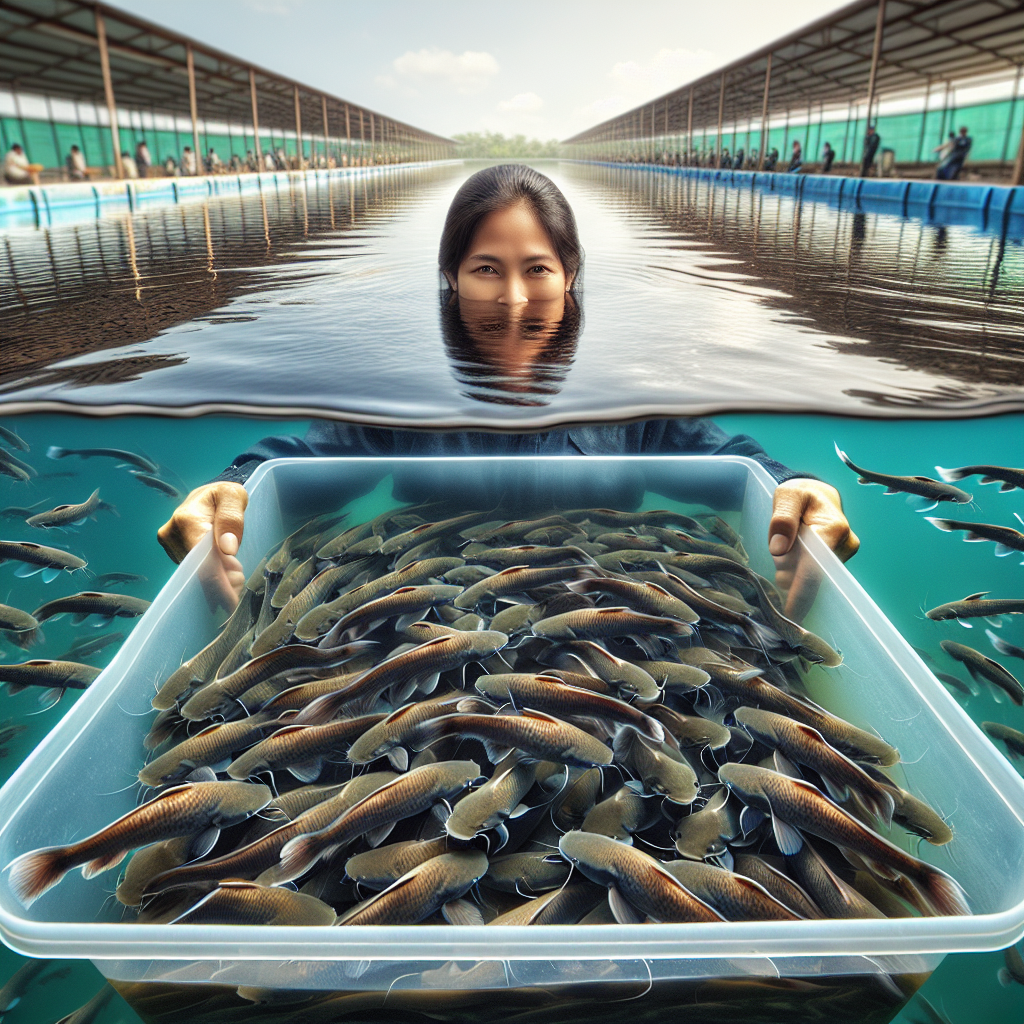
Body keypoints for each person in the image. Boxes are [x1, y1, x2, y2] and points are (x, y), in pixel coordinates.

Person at [157, 164, 860, 614]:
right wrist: (234, 486)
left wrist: (798, 486)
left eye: (539, 270)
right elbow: (303, 459)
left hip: (606, 609)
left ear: (572, 275)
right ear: (451, 277)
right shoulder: (405, 392)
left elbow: (726, 458)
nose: (515, 300)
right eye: (487, 269)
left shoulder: (631, 394)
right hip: (427, 611)